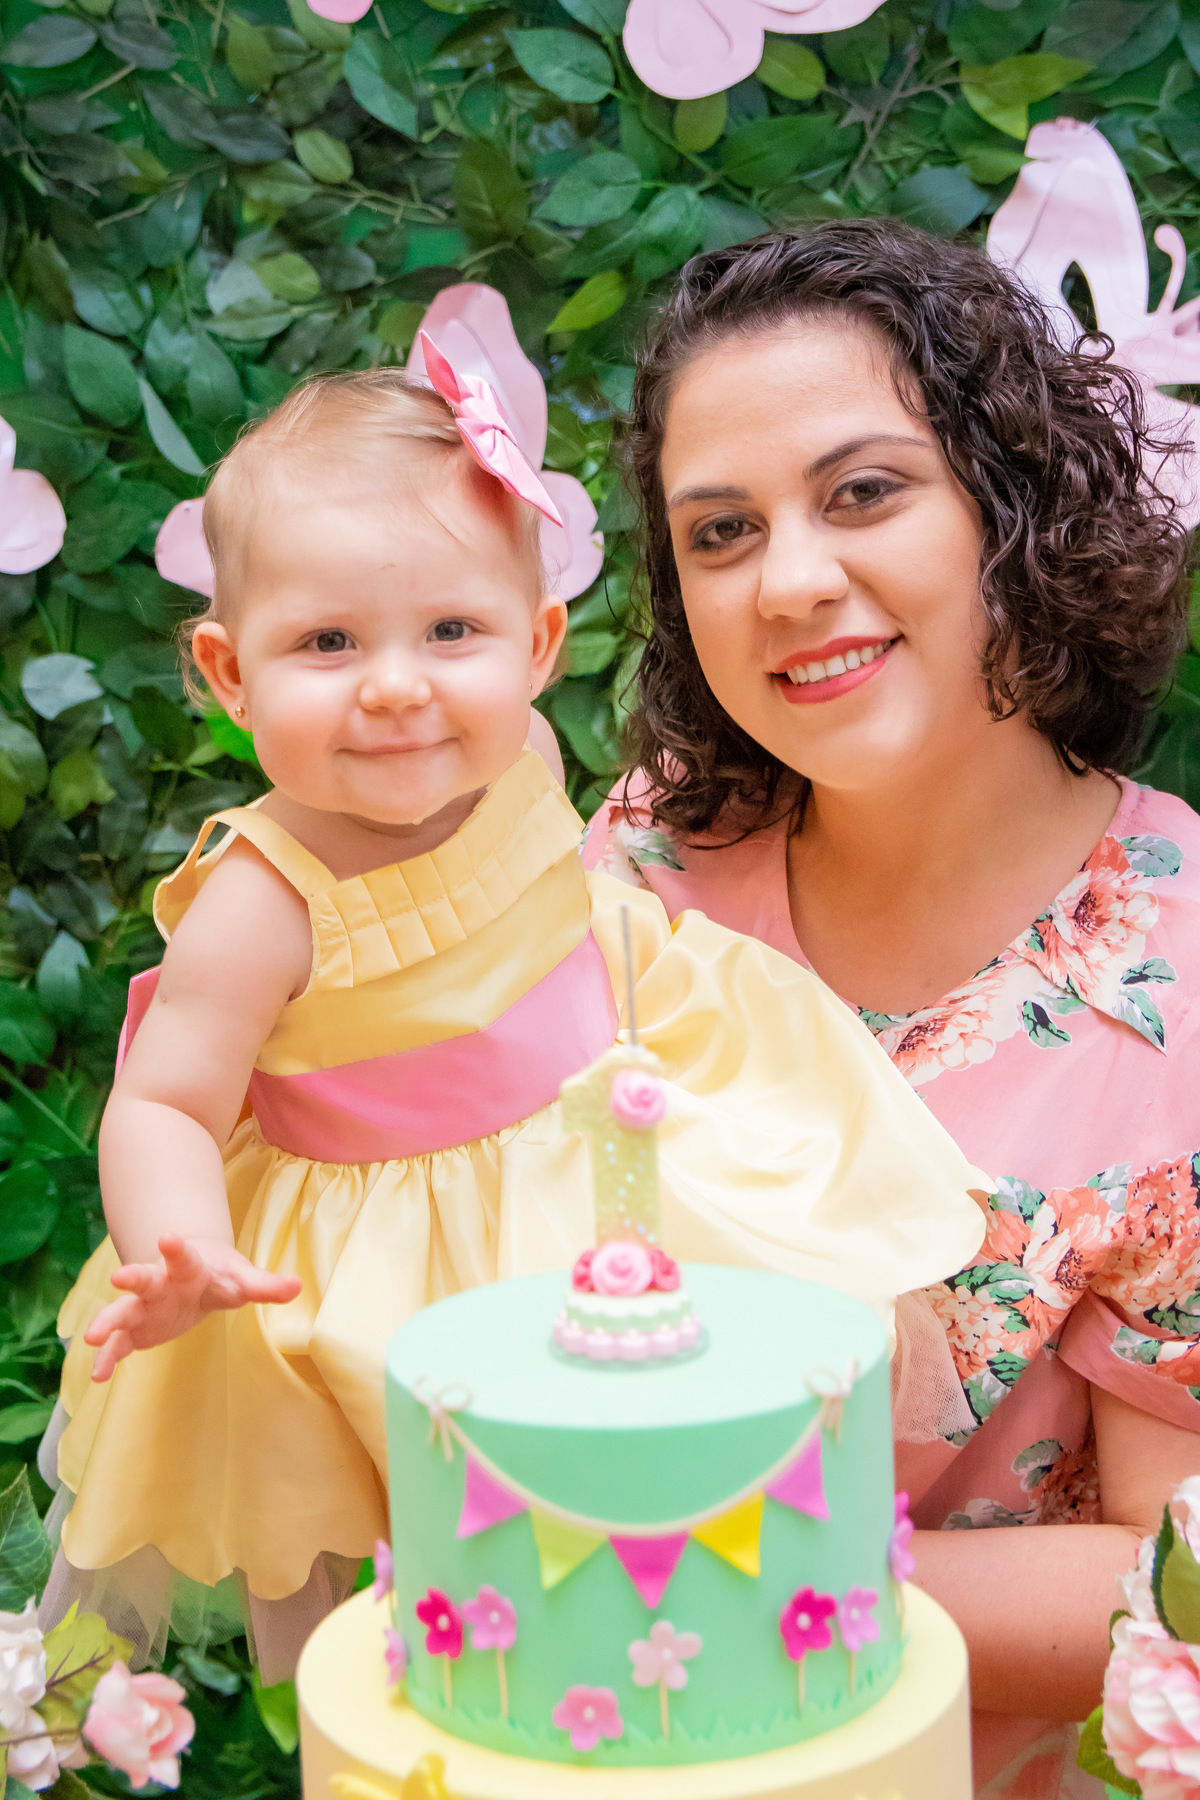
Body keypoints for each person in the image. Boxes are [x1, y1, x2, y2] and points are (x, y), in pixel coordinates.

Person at [44, 339, 986, 1684]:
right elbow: (163, 1102)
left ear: (538, 648)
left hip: (598, 1149)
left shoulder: (522, 754)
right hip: (388, 1248)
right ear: (230, 671)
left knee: (672, 1463)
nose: (396, 685)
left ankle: (677, 1677)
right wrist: (181, 1247)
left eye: (451, 632)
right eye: (326, 642)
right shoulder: (262, 900)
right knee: (434, 1579)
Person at [583, 218, 1200, 1799]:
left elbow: (1173, 1581)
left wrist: (720, 1589)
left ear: (1011, 501)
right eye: (721, 532)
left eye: (863, 491)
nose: (791, 581)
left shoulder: (1184, 983)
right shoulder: (645, 862)